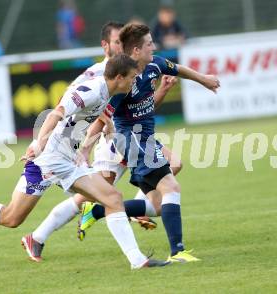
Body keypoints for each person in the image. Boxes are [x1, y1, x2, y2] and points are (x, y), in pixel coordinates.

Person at [0, 54, 168, 269]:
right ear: (119, 77)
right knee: (11, 218)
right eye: (132, 77)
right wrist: (38, 142)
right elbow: (56, 113)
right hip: (48, 159)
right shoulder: (91, 90)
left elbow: (101, 115)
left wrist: (109, 133)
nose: (135, 81)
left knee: (112, 198)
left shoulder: (109, 92)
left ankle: (138, 261)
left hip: (68, 160)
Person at [19, 21, 179, 262]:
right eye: (117, 42)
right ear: (106, 46)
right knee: (92, 196)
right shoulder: (101, 74)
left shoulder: (133, 70)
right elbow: (81, 110)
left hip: (129, 136)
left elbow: (141, 108)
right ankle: (39, 236)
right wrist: (85, 146)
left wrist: (163, 91)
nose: (121, 46)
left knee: (172, 165)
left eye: (123, 42)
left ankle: (128, 212)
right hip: (110, 141)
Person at [77, 23, 220, 263]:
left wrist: (203, 79)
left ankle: (97, 210)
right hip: (132, 139)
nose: (154, 46)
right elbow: (102, 117)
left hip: (145, 137)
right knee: (172, 187)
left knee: (157, 205)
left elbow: (178, 69)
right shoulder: (124, 82)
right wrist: (86, 149)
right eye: (149, 44)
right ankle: (178, 252)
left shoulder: (154, 64)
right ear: (136, 50)